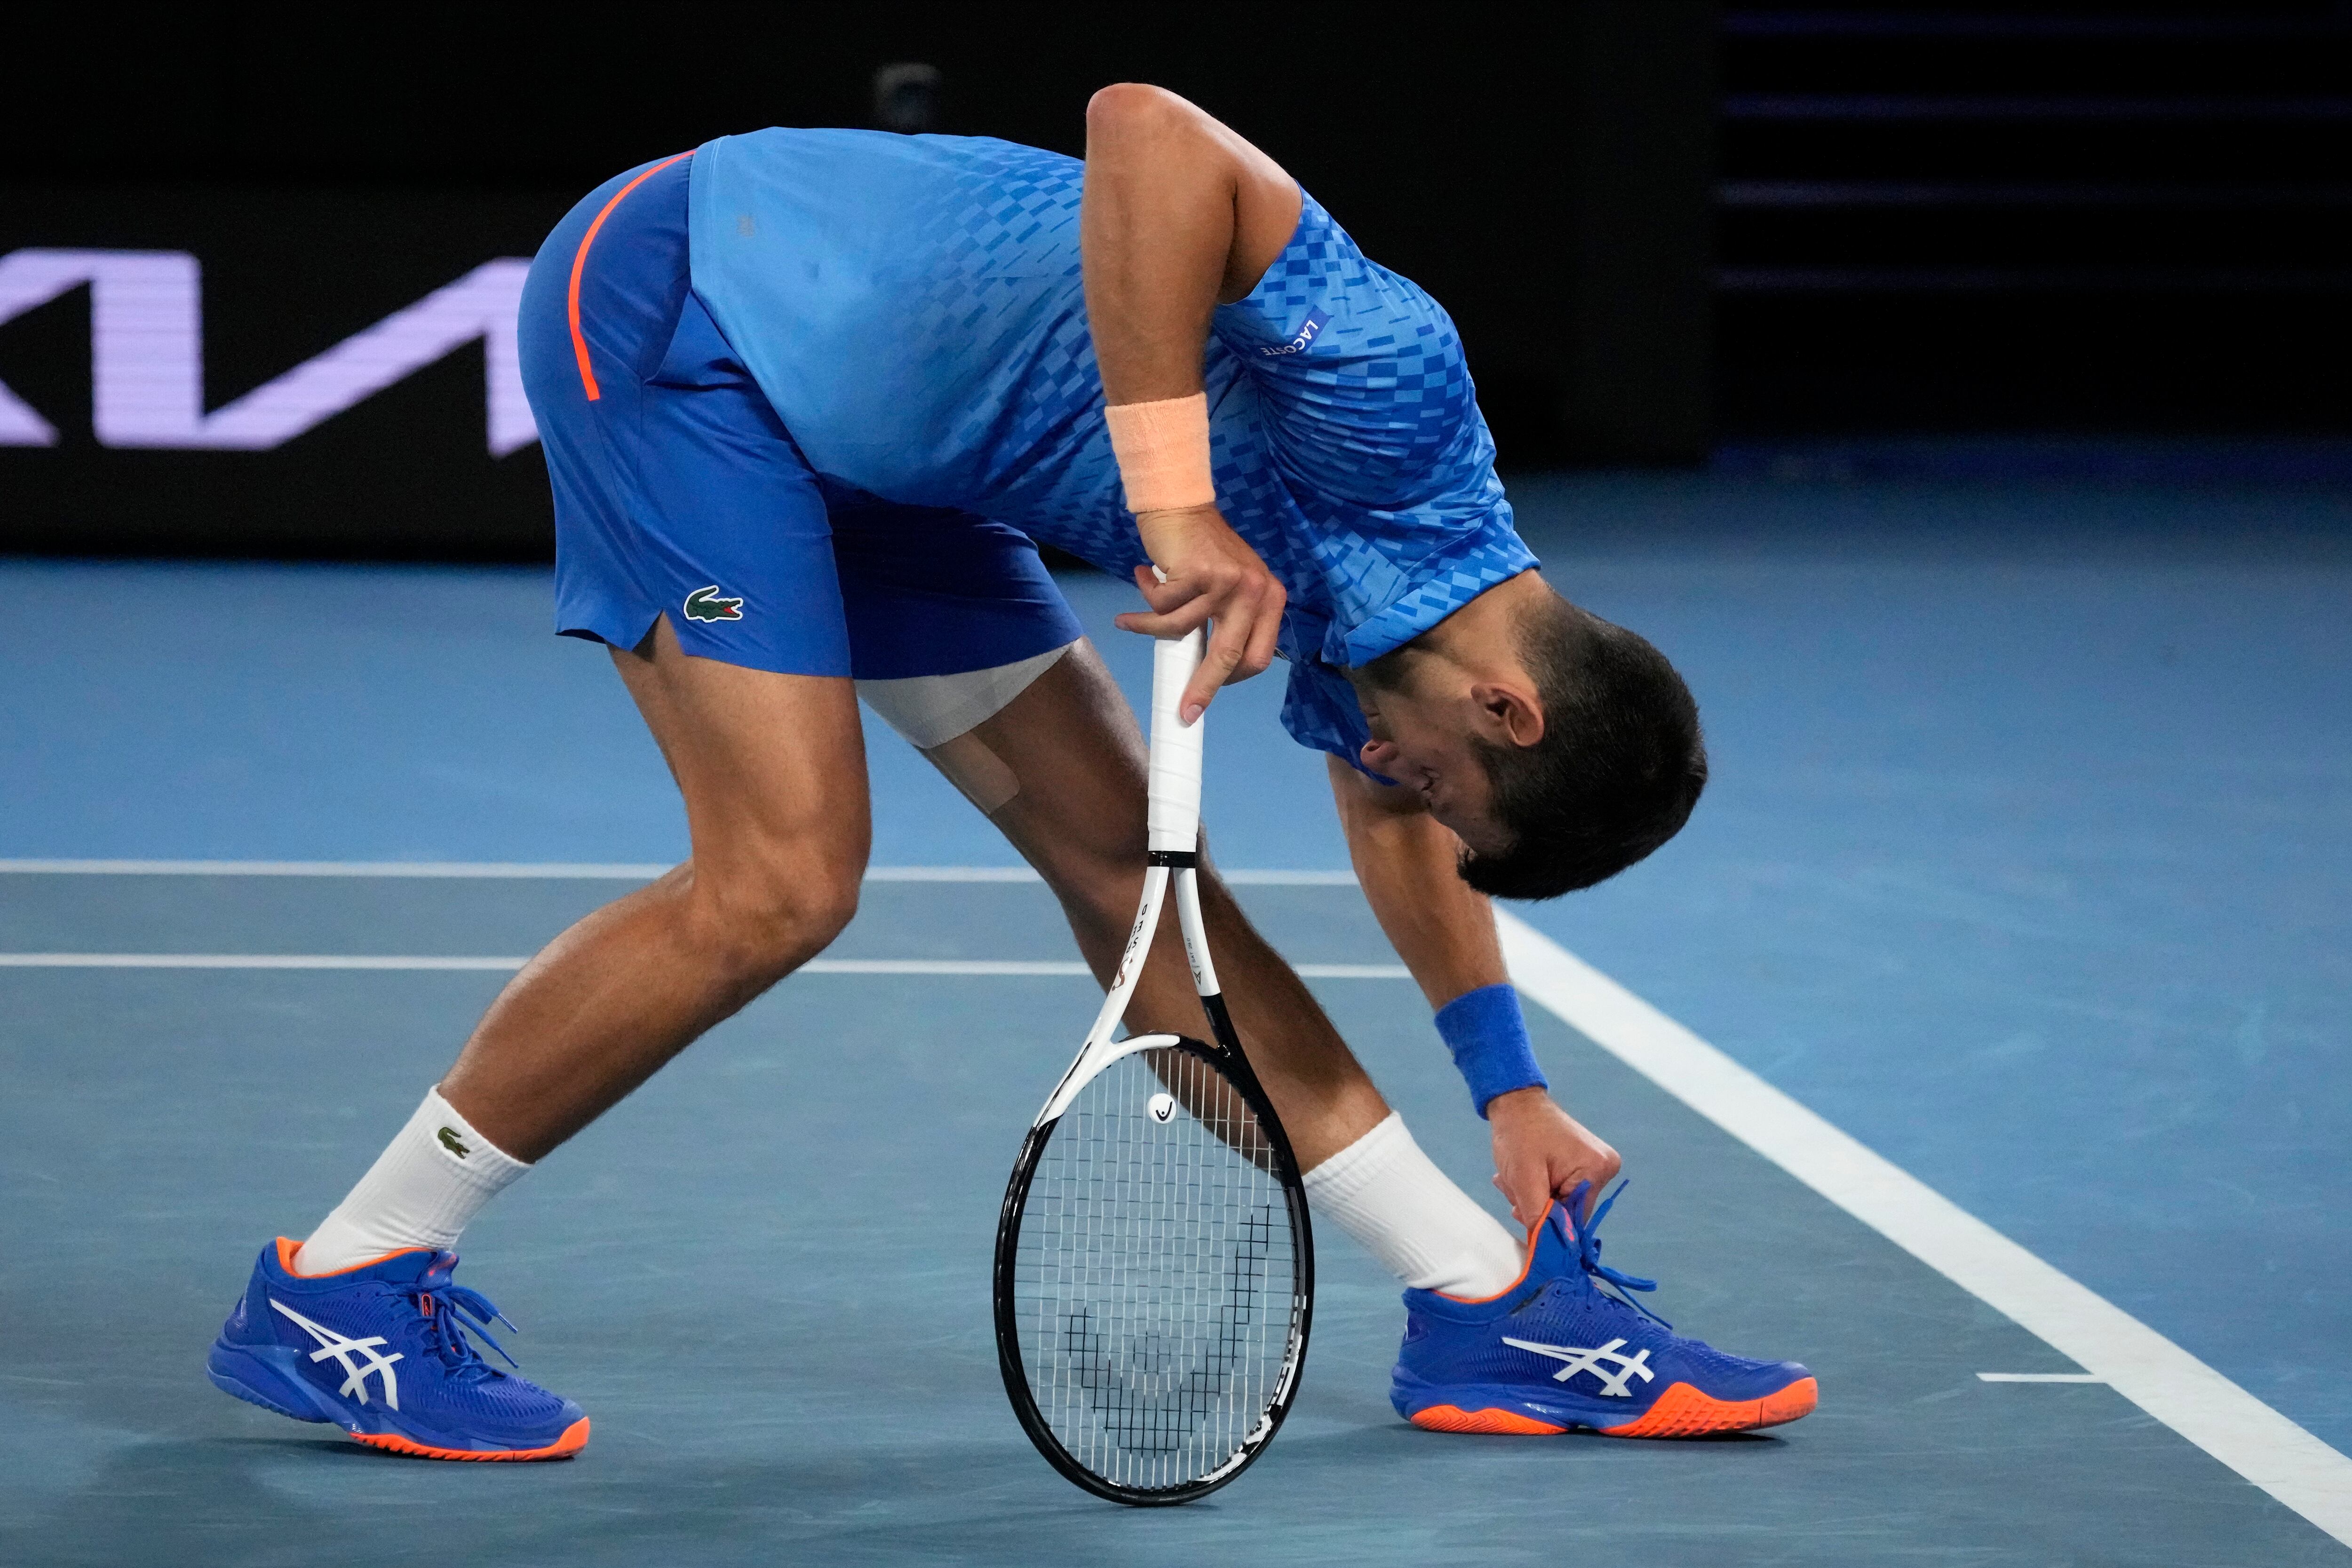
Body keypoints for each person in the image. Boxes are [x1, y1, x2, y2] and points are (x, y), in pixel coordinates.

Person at [205, 87, 1811, 1461]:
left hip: (909, 459)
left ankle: (1482, 1306)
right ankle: (344, 1282)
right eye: (1443, 781)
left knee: (1140, 888)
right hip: (689, 312)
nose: (1395, 776)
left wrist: (1508, 1087)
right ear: (1514, 711)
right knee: (781, 885)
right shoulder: (1392, 382)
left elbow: (1396, 827)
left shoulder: (1409, 660)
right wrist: (1177, 507)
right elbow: (1146, 129)